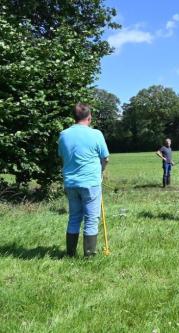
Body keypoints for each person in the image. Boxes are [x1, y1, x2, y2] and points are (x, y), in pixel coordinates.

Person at [58, 103, 109, 257]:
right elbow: (105, 158)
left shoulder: (64, 134)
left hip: (70, 183)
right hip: (90, 183)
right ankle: (89, 256)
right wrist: (101, 172)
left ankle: (70, 254)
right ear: (89, 117)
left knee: (74, 217)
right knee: (91, 219)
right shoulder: (96, 134)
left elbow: (62, 157)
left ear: (74, 117)